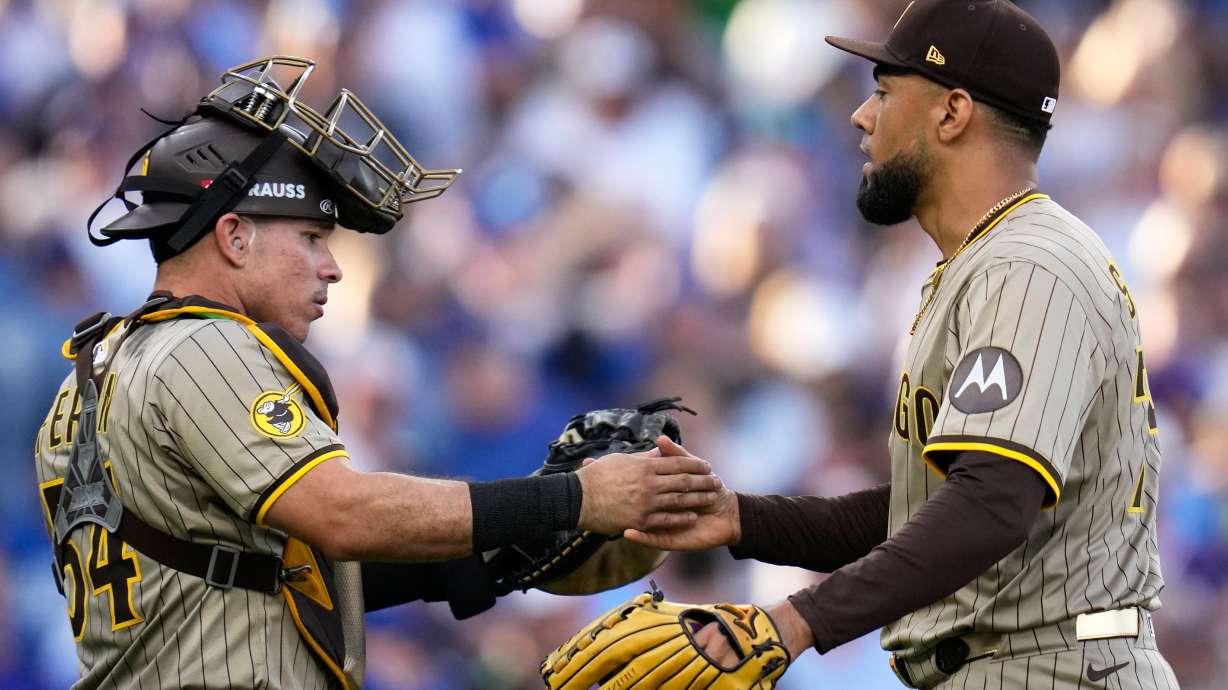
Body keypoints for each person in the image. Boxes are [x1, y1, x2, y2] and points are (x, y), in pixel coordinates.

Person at [33, 57, 720, 690]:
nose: (330, 266)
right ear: (234, 236)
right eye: (309, 238)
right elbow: (341, 514)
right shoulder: (204, 347)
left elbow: (250, 577)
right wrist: (572, 501)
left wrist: (490, 551)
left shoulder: (92, 375)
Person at [572, 1, 1180, 688]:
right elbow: (930, 510)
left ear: (951, 114)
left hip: (1056, 667)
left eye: (885, 93)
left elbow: (989, 507)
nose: (862, 118)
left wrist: (794, 621)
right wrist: (740, 518)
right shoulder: (987, 263)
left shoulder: (1027, 267)